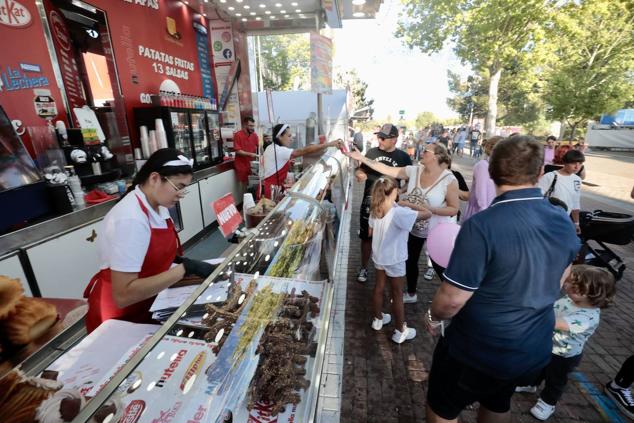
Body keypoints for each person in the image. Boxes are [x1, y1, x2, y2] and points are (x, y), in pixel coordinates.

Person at [423, 136, 580, 423]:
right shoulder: (562, 220)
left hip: (477, 348)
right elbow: (563, 277)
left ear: (491, 172)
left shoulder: (481, 226)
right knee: (497, 401)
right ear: (539, 172)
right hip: (529, 346)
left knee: (441, 409)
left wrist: (433, 317)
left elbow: (452, 299)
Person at [84, 149, 216, 333]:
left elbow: (151, 253)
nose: (181, 194)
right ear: (154, 178)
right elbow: (123, 294)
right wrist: (185, 269)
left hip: (149, 303)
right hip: (121, 316)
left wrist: (178, 261)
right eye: (178, 187)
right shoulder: (131, 218)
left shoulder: (157, 207)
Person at [348, 143, 459, 303]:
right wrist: (362, 158)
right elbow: (385, 169)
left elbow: (453, 208)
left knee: (438, 265)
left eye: (426, 150)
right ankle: (412, 293)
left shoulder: (449, 180)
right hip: (414, 226)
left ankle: (453, 298)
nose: (421, 151)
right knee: (411, 260)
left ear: (436, 156)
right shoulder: (414, 170)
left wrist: (428, 209)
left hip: (437, 229)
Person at [517, 265, 615, 420]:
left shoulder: (588, 317)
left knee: (555, 380)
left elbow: (556, 323)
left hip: (564, 355)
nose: (567, 286)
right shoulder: (571, 299)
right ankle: (531, 384)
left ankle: (548, 402)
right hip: (547, 345)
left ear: (587, 292)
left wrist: (532, 313)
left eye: (573, 286)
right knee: (536, 368)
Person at [367, 177, 431, 343]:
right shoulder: (399, 212)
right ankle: (400, 330)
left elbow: (370, 232)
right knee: (397, 294)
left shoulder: (375, 208)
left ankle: (377, 319)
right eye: (397, 190)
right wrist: (408, 204)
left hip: (379, 256)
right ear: (393, 192)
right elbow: (428, 213)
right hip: (395, 258)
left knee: (379, 287)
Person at [353, 123, 412, 283]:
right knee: (367, 237)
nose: (379, 140)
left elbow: (411, 179)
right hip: (370, 201)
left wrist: (402, 190)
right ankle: (364, 267)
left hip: (392, 205)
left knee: (391, 237)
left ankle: (388, 270)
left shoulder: (404, 157)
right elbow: (361, 170)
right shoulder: (371, 152)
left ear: (394, 139)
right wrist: (359, 174)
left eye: (384, 138)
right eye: (379, 137)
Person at [262, 123, 342, 200]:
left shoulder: (271, 147)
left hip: (275, 188)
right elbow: (303, 151)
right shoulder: (278, 150)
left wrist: (288, 163)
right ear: (280, 137)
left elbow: (273, 166)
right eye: (289, 136)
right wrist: (328, 144)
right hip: (272, 190)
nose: (291, 139)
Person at [538, 150, 584, 232]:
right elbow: (537, 198)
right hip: (547, 220)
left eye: (580, 163)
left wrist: (576, 223)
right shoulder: (550, 176)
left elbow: (575, 203)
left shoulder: (577, 180)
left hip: (564, 220)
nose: (577, 167)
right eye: (573, 163)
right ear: (565, 162)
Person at [462, 136, 503, 221]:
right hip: (481, 215)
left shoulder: (500, 166)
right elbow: (481, 196)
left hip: (494, 213)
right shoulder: (483, 166)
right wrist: (484, 218)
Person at [233, 116, 259, 192]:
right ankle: (246, 202)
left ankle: (254, 201)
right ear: (245, 125)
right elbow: (237, 150)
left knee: (254, 186)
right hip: (242, 166)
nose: (252, 128)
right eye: (250, 126)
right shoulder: (238, 135)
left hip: (253, 165)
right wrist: (250, 154)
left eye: (253, 126)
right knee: (245, 188)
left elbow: (259, 146)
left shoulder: (254, 135)